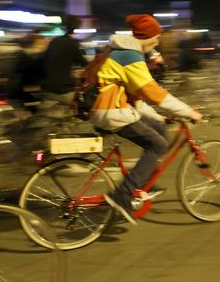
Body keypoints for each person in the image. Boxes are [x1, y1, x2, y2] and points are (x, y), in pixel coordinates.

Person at [92, 14, 202, 225]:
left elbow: (136, 97)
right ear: (149, 37)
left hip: (117, 108)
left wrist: (157, 117)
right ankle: (122, 195)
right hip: (111, 111)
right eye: (157, 37)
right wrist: (189, 112)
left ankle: (142, 183)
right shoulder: (130, 56)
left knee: (159, 130)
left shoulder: (125, 52)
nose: (158, 42)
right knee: (158, 144)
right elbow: (154, 93)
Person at [42, 15, 87, 105]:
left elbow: (45, 60)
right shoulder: (72, 43)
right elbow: (83, 63)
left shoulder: (54, 41)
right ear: (77, 27)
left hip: (48, 89)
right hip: (64, 90)